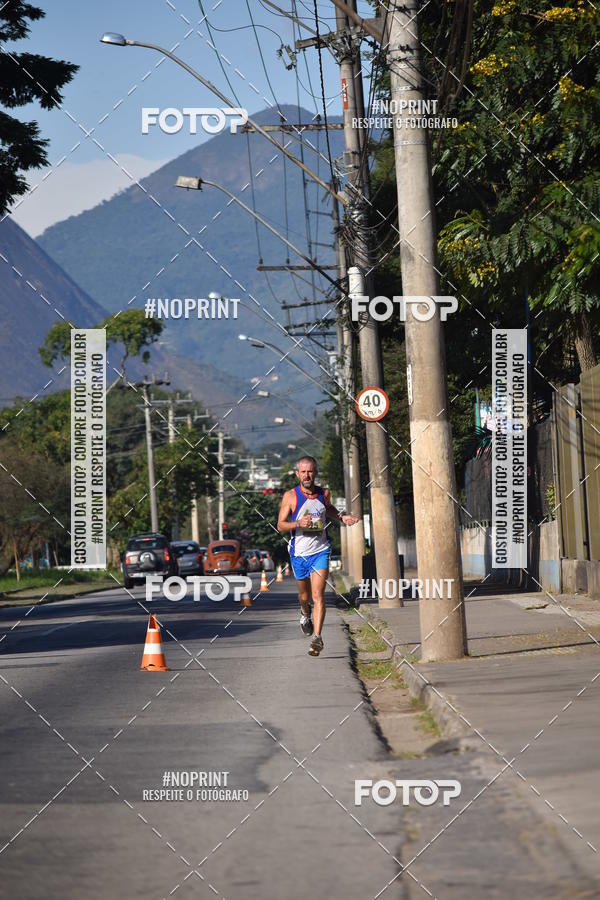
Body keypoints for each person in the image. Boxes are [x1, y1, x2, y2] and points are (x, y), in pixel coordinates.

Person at [277, 455, 359, 657]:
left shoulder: (324, 493)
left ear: (316, 473)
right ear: (297, 474)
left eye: (310, 471)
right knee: (304, 597)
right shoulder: (290, 496)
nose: (307, 475)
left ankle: (317, 638)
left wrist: (342, 516)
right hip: (299, 553)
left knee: (318, 595)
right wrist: (297, 524)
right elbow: (280, 525)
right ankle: (305, 613)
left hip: (320, 551)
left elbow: (327, 508)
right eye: (303, 472)